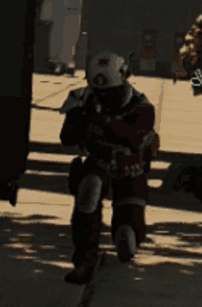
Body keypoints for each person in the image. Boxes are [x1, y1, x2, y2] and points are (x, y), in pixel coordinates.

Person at [59, 51, 160, 285]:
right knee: (88, 193)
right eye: (100, 93)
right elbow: (67, 136)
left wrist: (106, 123)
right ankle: (84, 262)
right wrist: (80, 118)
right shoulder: (83, 98)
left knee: (128, 236)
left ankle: (126, 236)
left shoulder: (142, 106)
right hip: (99, 161)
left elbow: (135, 138)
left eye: (111, 93)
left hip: (130, 167)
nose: (105, 98)